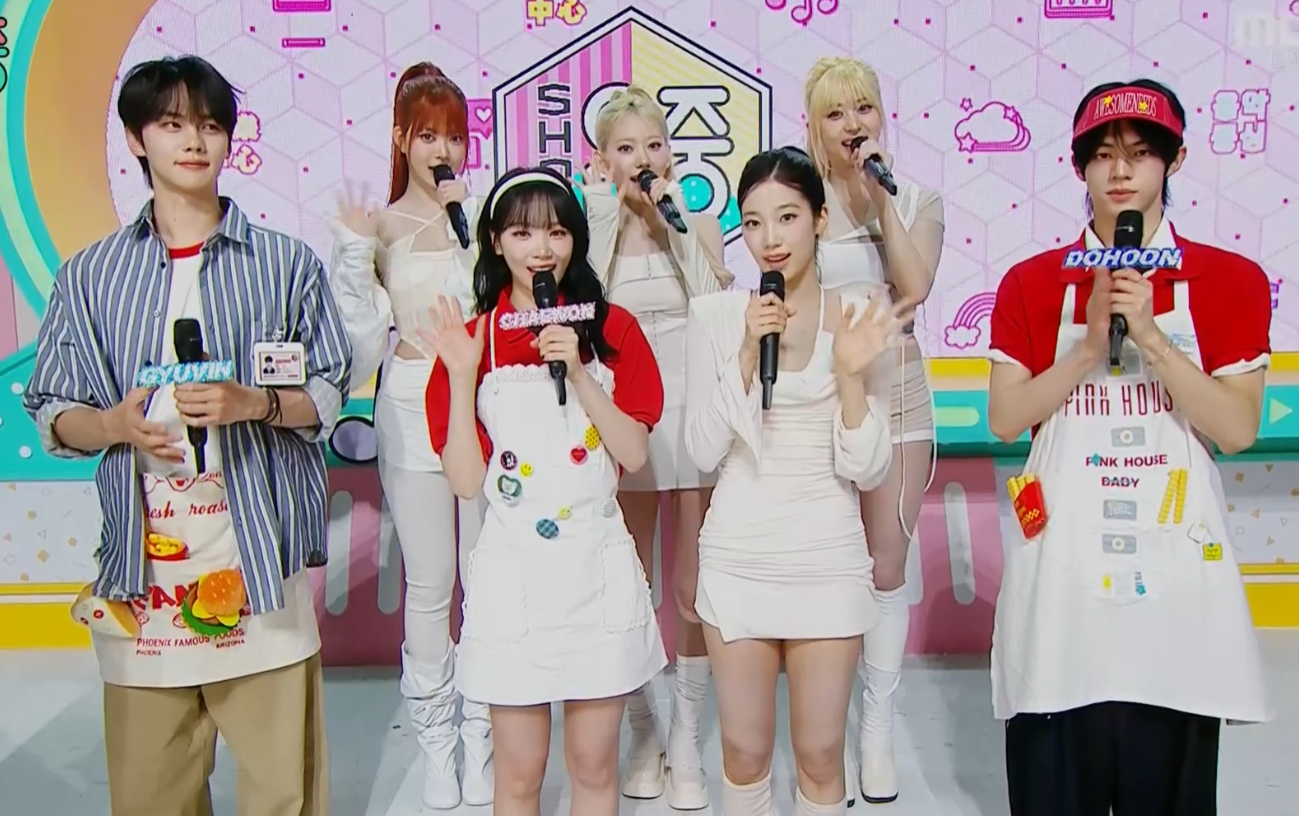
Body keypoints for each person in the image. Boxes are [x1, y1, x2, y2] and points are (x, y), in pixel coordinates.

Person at [23, 55, 351, 816]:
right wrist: (111, 425)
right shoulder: (90, 275)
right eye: (171, 124)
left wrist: (255, 403)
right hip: (144, 575)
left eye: (208, 125)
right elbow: (53, 410)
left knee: (285, 796)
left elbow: (329, 392)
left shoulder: (285, 264)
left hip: (261, 564)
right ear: (137, 140)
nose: (194, 141)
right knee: (152, 797)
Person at [987, 79, 1272, 815]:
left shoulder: (1230, 279)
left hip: (1174, 582)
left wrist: (1149, 337)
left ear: (1174, 163)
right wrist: (1086, 349)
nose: (1120, 172)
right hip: (1062, 579)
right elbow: (1006, 418)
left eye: (1141, 154)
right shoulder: (1031, 282)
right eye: (1103, 155)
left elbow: (1236, 429)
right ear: (1078, 166)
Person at [423, 166, 668, 816]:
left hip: (594, 568)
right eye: (523, 232)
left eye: (557, 232)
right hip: (516, 579)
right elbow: (465, 481)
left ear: (576, 241)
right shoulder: (472, 341)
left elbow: (633, 453)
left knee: (593, 766)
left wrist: (581, 373)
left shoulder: (612, 329)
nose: (541, 249)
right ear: (495, 241)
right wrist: (460, 375)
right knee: (519, 774)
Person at [684, 146, 904, 816]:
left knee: (819, 753)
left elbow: (869, 468)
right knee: (744, 751)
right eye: (753, 223)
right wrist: (746, 353)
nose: (770, 239)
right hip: (738, 553)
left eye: (787, 217)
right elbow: (701, 450)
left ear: (818, 219)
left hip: (826, 554)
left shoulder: (859, 314)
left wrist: (849, 377)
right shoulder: (716, 316)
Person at [326, 61, 491, 810]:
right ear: (400, 139)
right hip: (409, 400)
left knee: (486, 577)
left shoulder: (481, 216)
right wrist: (353, 252)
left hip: (482, 402)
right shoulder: (382, 227)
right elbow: (361, 345)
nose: (443, 149)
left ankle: (485, 737)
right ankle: (436, 747)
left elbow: (504, 304)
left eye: (454, 136)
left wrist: (473, 228)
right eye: (428, 135)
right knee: (429, 580)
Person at [577, 85, 732, 810]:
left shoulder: (695, 221)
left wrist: (673, 227)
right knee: (630, 582)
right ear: (602, 160)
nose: (642, 159)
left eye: (654, 145)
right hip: (627, 419)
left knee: (691, 586)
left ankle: (687, 735)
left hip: (692, 413)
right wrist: (606, 219)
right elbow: (585, 314)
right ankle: (645, 731)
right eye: (626, 147)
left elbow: (714, 307)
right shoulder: (590, 231)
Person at [801, 56, 947, 805]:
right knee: (833, 563)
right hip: (819, 398)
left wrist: (880, 196)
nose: (853, 125)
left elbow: (913, 287)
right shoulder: (800, 203)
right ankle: (823, 726)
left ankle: (878, 730)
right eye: (835, 112)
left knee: (887, 562)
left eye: (863, 108)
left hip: (898, 395)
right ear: (812, 125)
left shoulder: (916, 197)